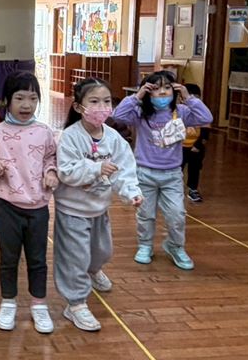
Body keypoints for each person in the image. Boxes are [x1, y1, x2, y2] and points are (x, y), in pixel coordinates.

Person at [54, 78, 143, 331]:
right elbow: (66, 171)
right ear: (79, 106)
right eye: (94, 101)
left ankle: (93, 271)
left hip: (99, 209)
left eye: (106, 101)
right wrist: (96, 168)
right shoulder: (70, 137)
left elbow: (125, 169)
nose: (101, 107)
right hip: (73, 211)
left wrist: (131, 192)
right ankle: (75, 303)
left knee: (102, 251)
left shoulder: (114, 138)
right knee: (75, 257)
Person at [0, 71, 58, 333]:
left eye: (33, 98)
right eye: (20, 98)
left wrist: (51, 172)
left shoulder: (44, 132)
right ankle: (8, 301)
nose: (26, 105)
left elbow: (51, 158)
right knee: (8, 258)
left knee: (38, 259)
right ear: (6, 100)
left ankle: (39, 305)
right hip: (7, 206)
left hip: (38, 207)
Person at [113, 71, 213, 270]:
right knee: (145, 214)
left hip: (172, 174)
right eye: (156, 88)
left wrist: (188, 97)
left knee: (177, 214)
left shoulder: (181, 112)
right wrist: (137, 95)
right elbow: (118, 115)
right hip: (144, 172)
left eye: (167, 87)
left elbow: (206, 117)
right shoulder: (140, 113)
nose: (162, 92)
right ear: (148, 92)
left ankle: (175, 246)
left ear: (174, 90)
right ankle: (145, 245)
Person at [181, 83, 209, 203]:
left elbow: (206, 132)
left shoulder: (201, 113)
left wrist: (198, 145)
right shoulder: (180, 111)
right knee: (176, 169)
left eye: (196, 98)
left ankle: (193, 189)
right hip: (180, 147)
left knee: (194, 169)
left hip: (195, 147)